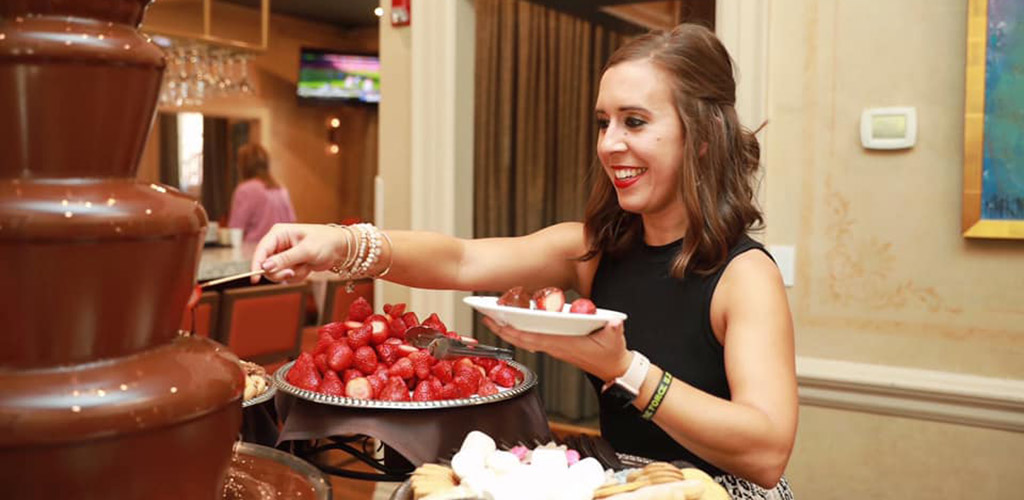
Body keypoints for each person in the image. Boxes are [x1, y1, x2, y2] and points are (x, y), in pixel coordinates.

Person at [250, 24, 797, 499]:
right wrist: (341, 245)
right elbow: (462, 259)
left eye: (634, 121)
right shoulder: (594, 249)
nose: (609, 143)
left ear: (701, 137)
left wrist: (624, 370)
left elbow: (766, 452)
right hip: (622, 486)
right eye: (603, 122)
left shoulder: (744, 275)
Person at [228, 143, 297, 244]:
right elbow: (292, 223)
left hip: (254, 250)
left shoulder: (245, 190)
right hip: (280, 249)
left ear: (243, 166)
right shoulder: (281, 189)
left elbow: (235, 229)